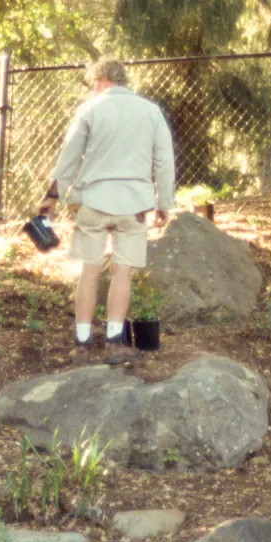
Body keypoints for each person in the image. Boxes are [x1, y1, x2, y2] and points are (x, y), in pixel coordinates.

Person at [38, 58, 175, 364]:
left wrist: (52, 196)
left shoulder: (89, 109)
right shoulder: (151, 111)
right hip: (134, 205)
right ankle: (114, 342)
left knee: (90, 268)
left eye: (92, 83)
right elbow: (164, 161)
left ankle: (82, 344)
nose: (92, 89)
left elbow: (69, 156)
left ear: (101, 79)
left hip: (94, 200)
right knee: (122, 271)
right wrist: (164, 203)